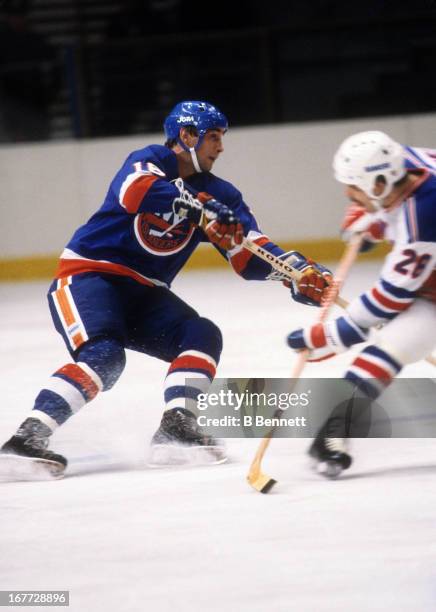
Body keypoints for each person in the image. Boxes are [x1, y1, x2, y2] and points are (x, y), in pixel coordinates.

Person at [1, 100, 332, 478]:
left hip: (145, 293)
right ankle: (25, 440)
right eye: (212, 137)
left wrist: (294, 272)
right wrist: (198, 210)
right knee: (105, 359)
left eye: (221, 138)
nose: (220, 147)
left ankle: (176, 428)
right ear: (186, 135)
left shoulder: (223, 194)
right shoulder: (150, 160)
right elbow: (134, 191)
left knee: (201, 334)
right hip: (90, 277)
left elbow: (249, 254)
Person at [287, 130, 436, 477]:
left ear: (380, 184)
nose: (347, 194)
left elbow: (390, 297)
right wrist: (374, 218)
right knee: (394, 344)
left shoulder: (422, 218)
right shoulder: (404, 160)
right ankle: (334, 432)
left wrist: (333, 335)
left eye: (355, 188)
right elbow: (398, 201)